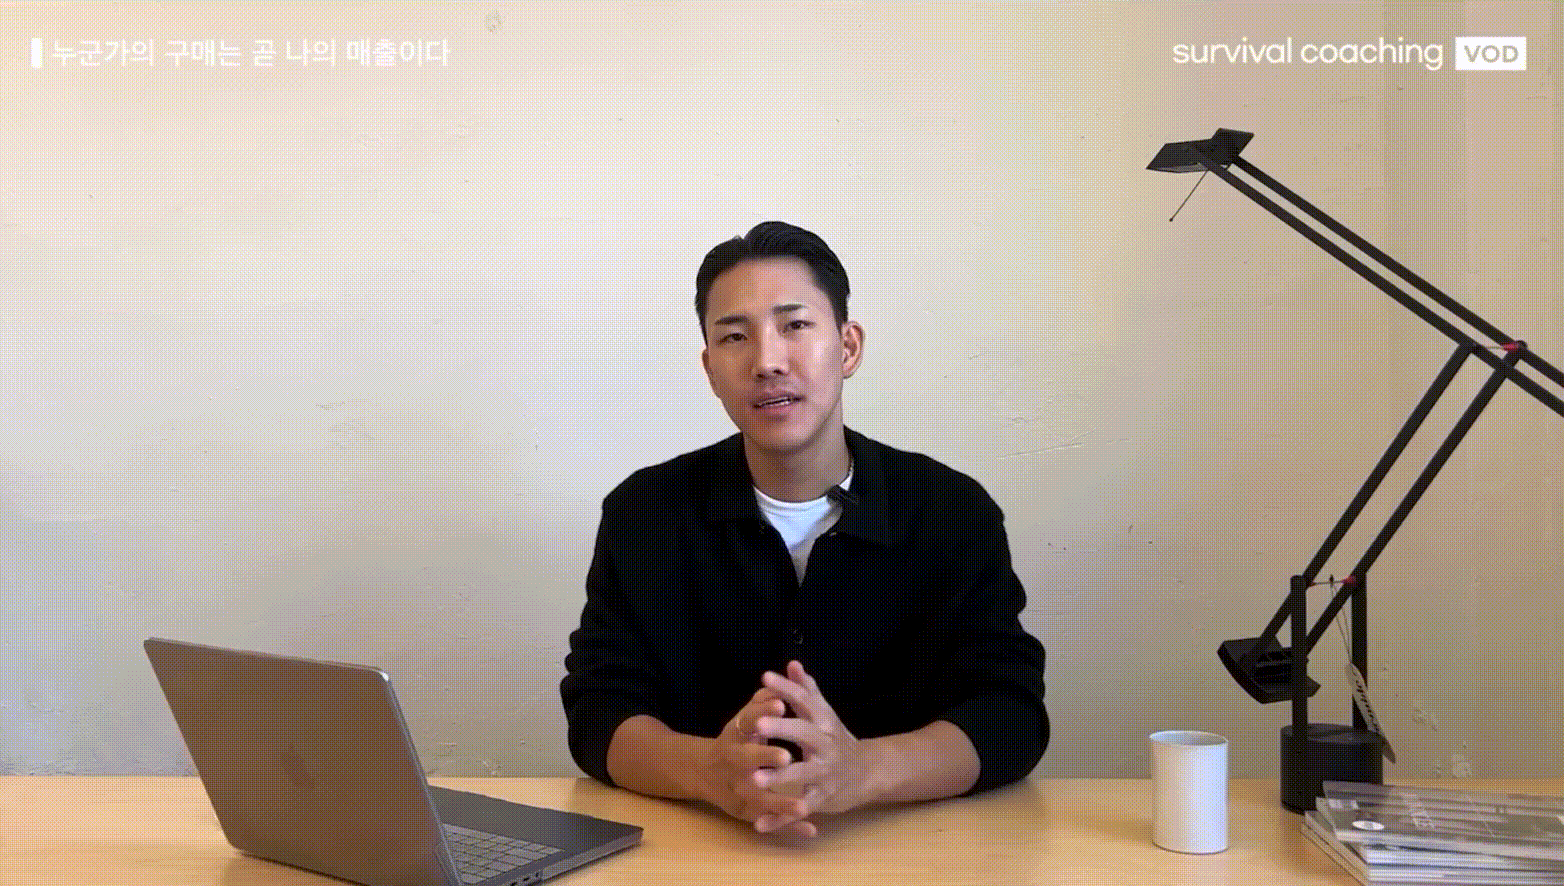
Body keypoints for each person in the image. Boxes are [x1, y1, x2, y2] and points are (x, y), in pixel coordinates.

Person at [560, 221, 1047, 838]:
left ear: (847, 347)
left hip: (907, 848)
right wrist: (711, 772)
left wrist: (861, 771)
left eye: (794, 326)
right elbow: (599, 710)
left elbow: (1010, 713)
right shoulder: (645, 513)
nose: (767, 362)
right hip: (702, 849)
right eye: (735, 337)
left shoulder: (950, 511)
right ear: (710, 369)